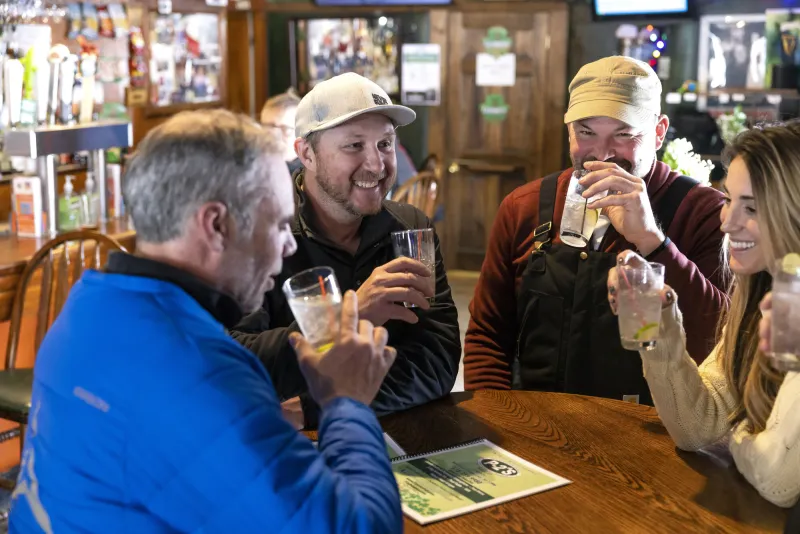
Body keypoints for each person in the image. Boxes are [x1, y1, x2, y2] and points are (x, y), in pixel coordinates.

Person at [9, 110, 403, 532]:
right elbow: (363, 527)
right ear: (216, 224)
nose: (289, 246)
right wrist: (346, 402)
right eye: (279, 224)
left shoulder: (88, 303)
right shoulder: (197, 370)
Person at [464, 56, 727, 404]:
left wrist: (652, 240)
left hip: (654, 435)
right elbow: (488, 336)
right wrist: (498, 418)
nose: (602, 154)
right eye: (586, 132)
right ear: (569, 131)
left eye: (623, 134)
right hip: (539, 427)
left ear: (659, 132)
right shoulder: (525, 207)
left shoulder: (705, 212)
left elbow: (722, 344)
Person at [232, 72, 461, 429]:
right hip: (280, 449)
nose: (376, 164)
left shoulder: (411, 229)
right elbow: (234, 359)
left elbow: (436, 363)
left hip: (387, 442)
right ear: (306, 153)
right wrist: (349, 318)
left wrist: (315, 407)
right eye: (354, 146)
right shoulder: (259, 234)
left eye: (385, 144)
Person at [606, 122, 800, 508]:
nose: (727, 223)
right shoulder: (759, 292)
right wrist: (655, 321)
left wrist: (737, 431)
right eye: (729, 199)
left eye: (752, 207)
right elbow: (696, 428)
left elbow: (777, 481)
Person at [260, 88, 303, 174]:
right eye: (267, 128)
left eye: (284, 129)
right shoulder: (255, 170)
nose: (274, 136)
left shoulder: (307, 181)